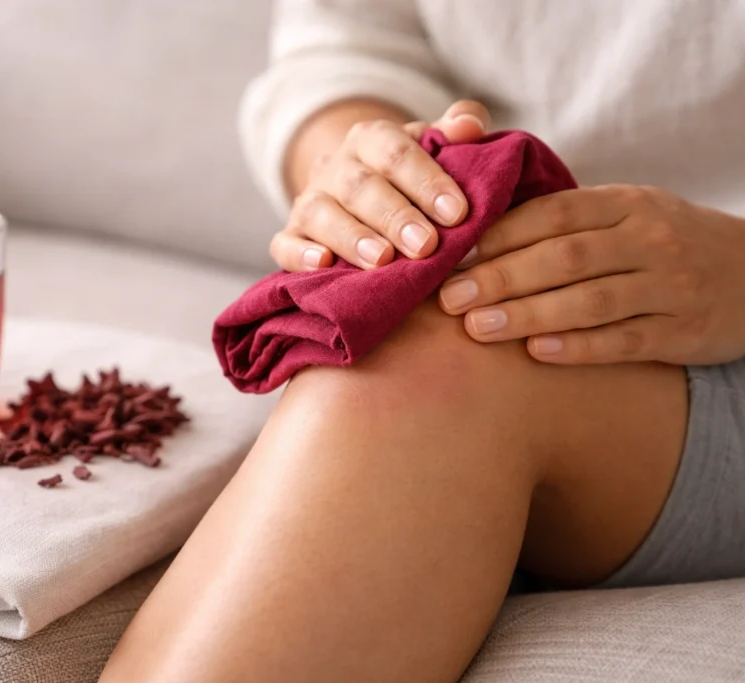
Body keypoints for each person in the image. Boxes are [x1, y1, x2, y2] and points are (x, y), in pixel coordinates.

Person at [100, 1, 745, 680]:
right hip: (507, 286)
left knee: (430, 365)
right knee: (407, 339)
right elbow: (345, 46)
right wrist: (363, 173)